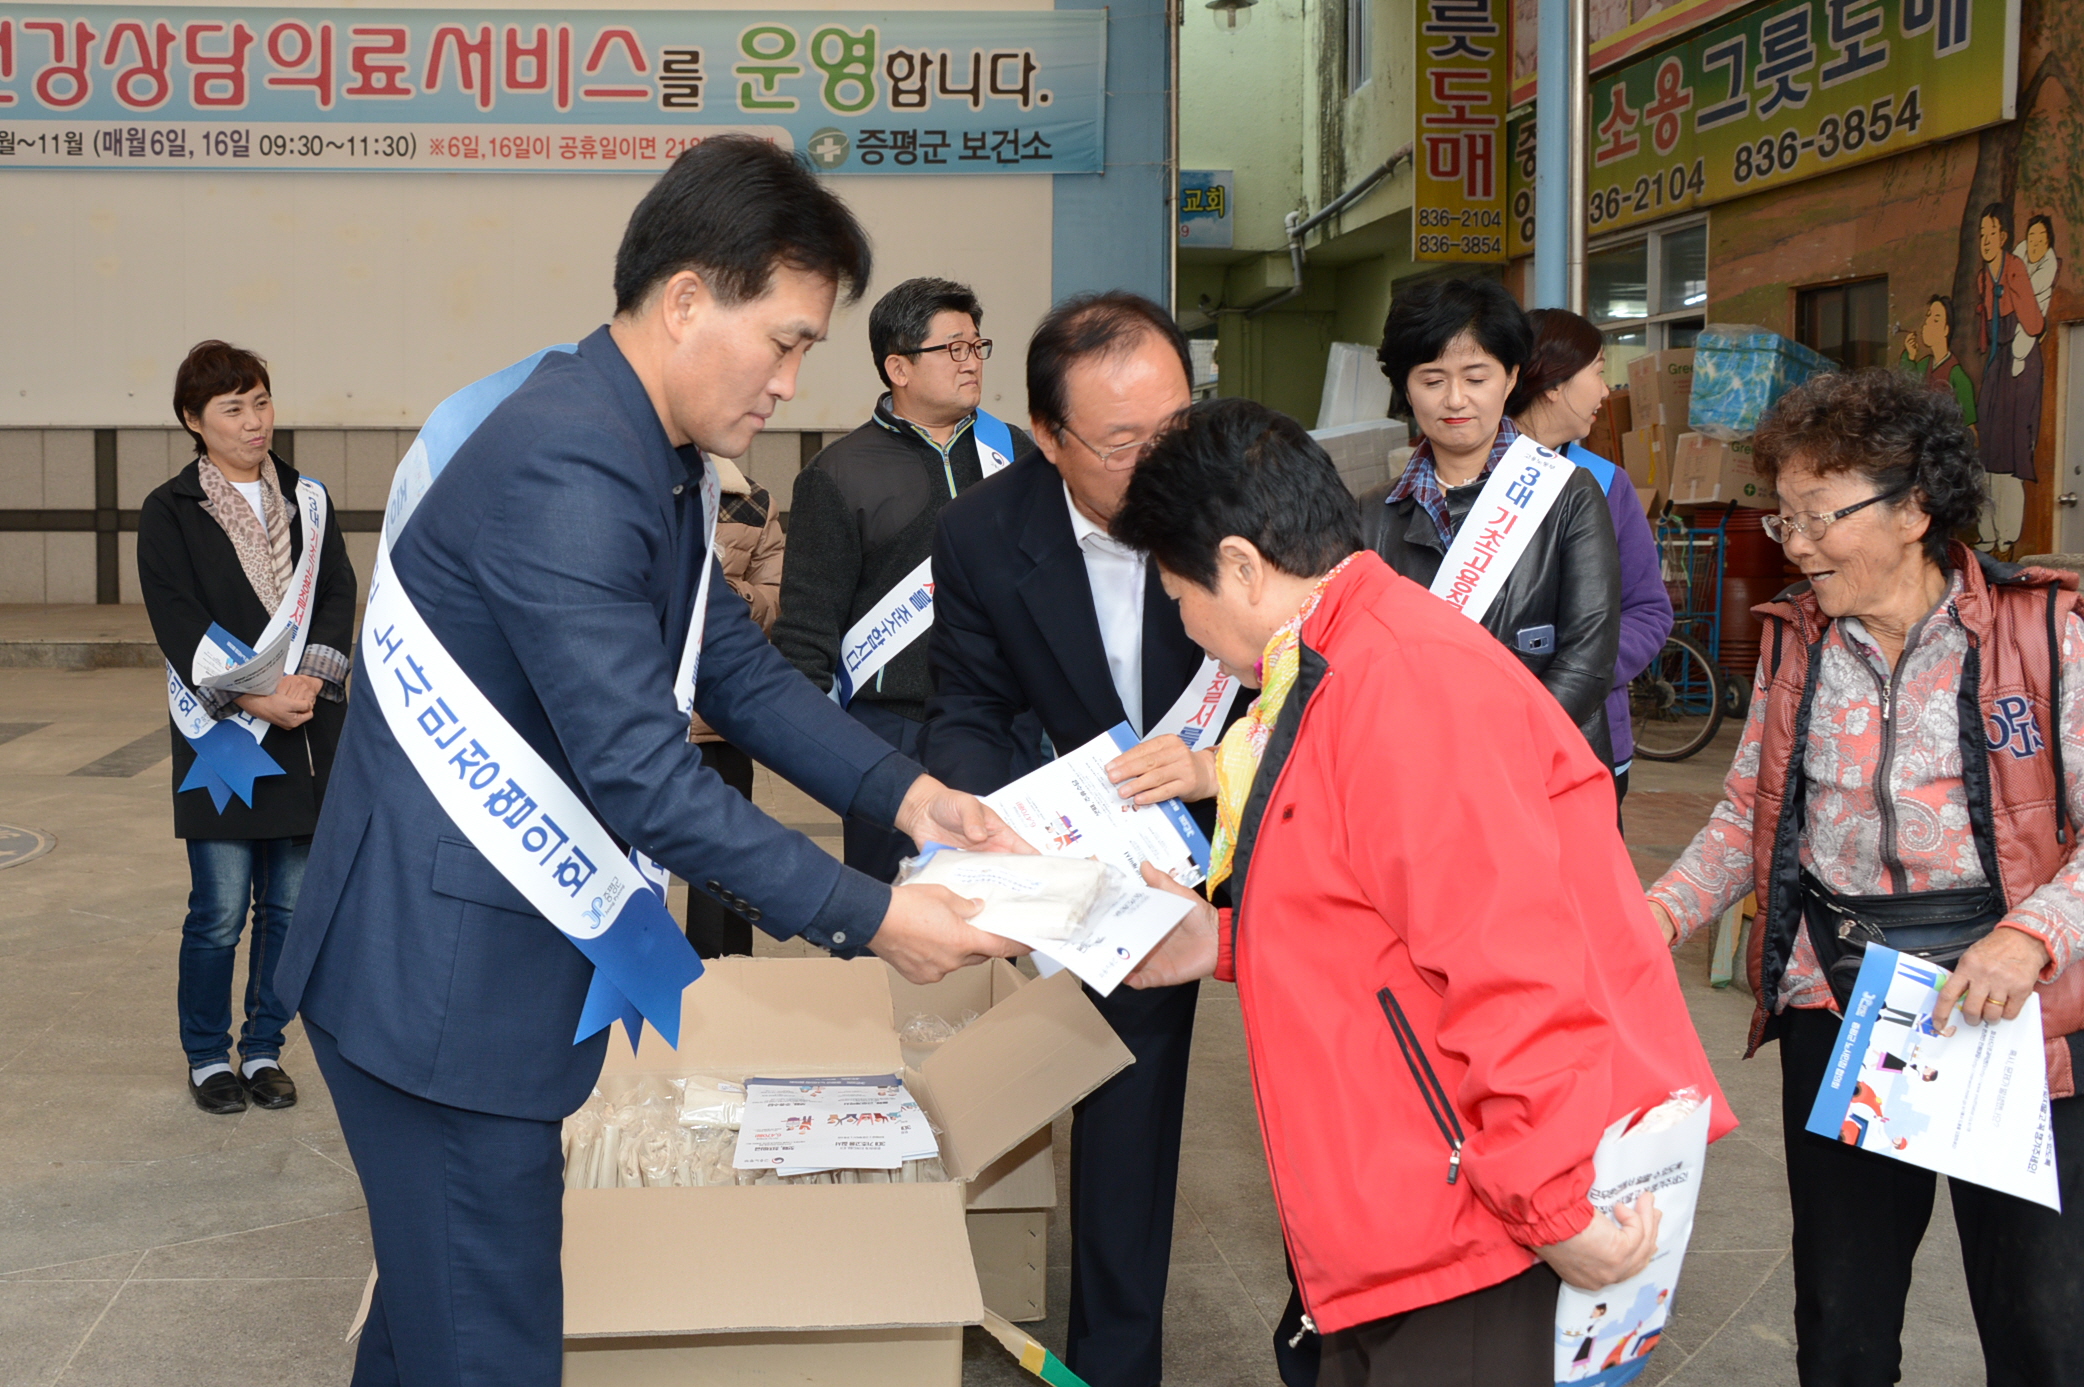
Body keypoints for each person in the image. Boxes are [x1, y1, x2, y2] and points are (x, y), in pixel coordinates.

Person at [272, 138, 1031, 1387]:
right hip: (440, 991)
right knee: (487, 1349)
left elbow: (733, 671)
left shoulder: (643, 448)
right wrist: (877, 916)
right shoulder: (571, 462)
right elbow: (642, 774)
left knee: (431, 1329)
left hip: (460, 971)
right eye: (782, 341)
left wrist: (909, 794)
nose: (790, 382)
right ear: (686, 300)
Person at [1112, 397, 1732, 1387]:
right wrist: (1220, 940)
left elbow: (1511, 956)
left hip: (1472, 1215)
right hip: (1409, 1194)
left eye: (1178, 594)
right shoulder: (1336, 658)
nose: (1183, 622)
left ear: (1241, 564)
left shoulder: (1402, 679)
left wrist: (1549, 1199)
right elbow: (1368, 899)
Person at [1644, 368, 2084, 1387]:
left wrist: (2030, 936)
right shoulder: (1798, 639)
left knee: (2045, 1330)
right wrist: (1657, 913)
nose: (1793, 542)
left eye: (1817, 516)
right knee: (1841, 1331)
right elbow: (1746, 815)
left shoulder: (2043, 632)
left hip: (2011, 1013)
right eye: (1783, 515)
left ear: (1914, 508)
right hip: (1843, 1003)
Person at [925, 291, 1241, 1387]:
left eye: (1176, 427)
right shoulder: (980, 530)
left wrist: (1219, 766)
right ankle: (1111, 1360)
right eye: (1122, 443)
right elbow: (970, 702)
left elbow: (1308, 676)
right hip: (1085, 846)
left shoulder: (1237, 498)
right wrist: (982, 817)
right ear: (1049, 437)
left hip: (1246, 829)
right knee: (1115, 1095)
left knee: (1305, 1092)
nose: (1162, 464)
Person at [136, 340, 357, 1115]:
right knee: (220, 911)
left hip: (303, 730)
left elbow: (337, 594)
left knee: (289, 908)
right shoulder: (170, 511)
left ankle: (264, 1046)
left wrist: (311, 681)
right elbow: (177, 616)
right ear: (194, 420)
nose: (254, 421)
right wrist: (257, 698)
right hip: (223, 739)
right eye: (233, 408)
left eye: (261, 401)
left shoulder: (307, 498)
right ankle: (207, 1055)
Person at [772, 276, 1040, 883]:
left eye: (977, 346)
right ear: (898, 367)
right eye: (953, 348)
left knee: (1009, 906)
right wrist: (823, 752)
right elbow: (807, 630)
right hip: (890, 736)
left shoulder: (1016, 455)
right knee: (896, 910)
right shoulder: (837, 474)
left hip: (1008, 728)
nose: (971, 362)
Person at [1361, 278, 1622, 762]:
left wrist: (1492, 753)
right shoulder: (1372, 514)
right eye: (1432, 381)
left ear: (1511, 377)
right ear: (1406, 389)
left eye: (1476, 379)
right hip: (1414, 768)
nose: (1455, 399)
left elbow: (1587, 659)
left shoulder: (1568, 493)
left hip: (1541, 766)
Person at [1509, 308, 1674, 814]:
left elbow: (1648, 610)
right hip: (1482, 741)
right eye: (1599, 372)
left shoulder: (1606, 483)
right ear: (1555, 382)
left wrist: (1582, 674)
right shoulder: (1465, 478)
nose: (1605, 391)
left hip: (1588, 739)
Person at [683, 451, 785, 958]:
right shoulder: (630, 484)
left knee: (724, 855)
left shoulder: (753, 502)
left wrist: (726, 593)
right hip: (637, 709)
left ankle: (726, 971)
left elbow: (775, 598)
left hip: (717, 715)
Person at [1898, 295, 1977, 427]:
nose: (1927, 323)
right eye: (1928, 316)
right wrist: (1910, 357)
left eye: (1935, 320)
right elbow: (1905, 393)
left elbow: (1969, 427)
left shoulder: (1957, 376)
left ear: (1946, 329)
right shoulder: (1923, 365)